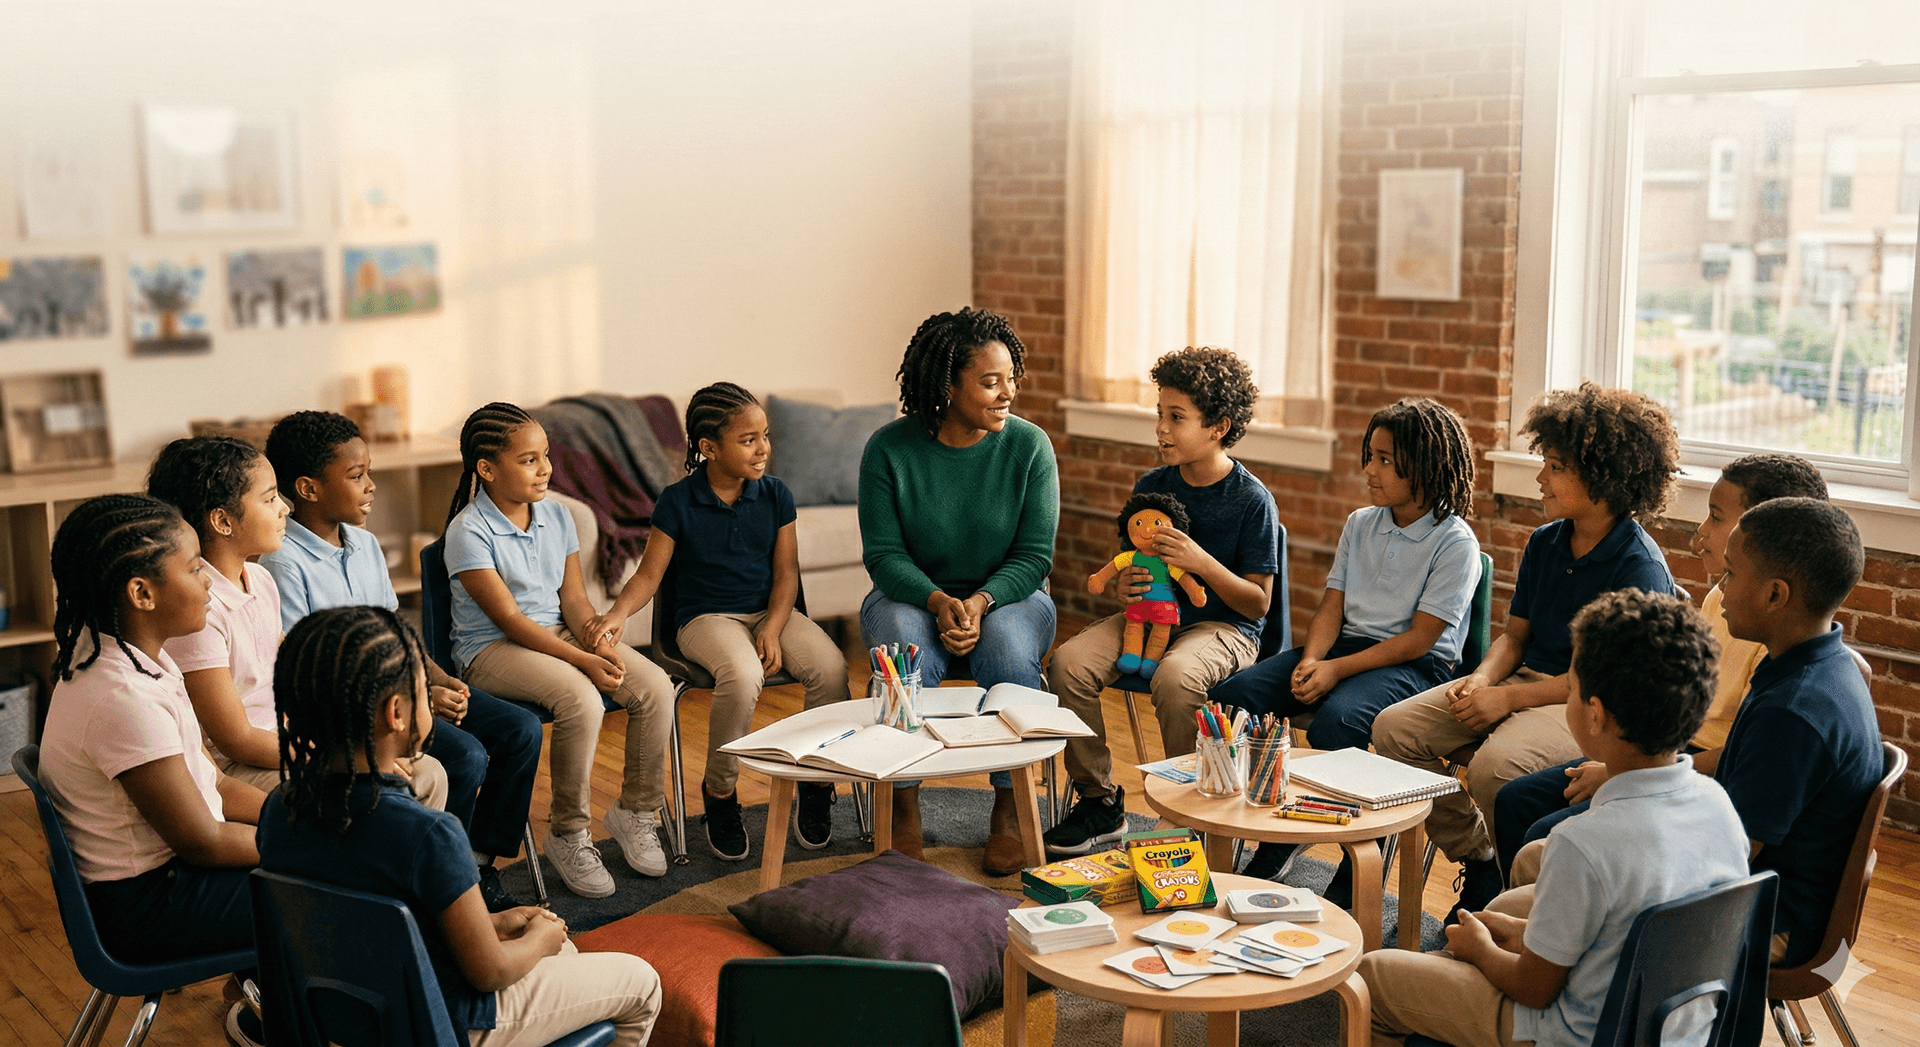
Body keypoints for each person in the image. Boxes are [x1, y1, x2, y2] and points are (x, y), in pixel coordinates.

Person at [1359, 589, 1749, 1047]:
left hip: (1574, 1034)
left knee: (1373, 975)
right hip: (1673, 1031)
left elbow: (1533, 989)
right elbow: (1623, 934)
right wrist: (1522, 935)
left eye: (1572, 688)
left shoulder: (1583, 842)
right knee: (1500, 914)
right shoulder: (1720, 807)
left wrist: (1480, 951)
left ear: (1595, 715)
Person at [259, 607, 662, 1047]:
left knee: (562, 948)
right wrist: (539, 939)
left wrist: (493, 922)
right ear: (396, 712)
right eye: (423, 691)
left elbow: (377, 924)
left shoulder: (279, 811)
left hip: (343, 1016)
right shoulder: (430, 834)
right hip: (444, 1025)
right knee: (640, 982)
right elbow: (490, 972)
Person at [1371, 382, 1678, 917]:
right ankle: (1480, 856)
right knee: (1393, 729)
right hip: (1525, 681)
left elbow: (1597, 680)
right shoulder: (1545, 541)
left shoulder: (1639, 566)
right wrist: (1483, 680)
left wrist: (1507, 700)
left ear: (1603, 479)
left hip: (1585, 700)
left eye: (1555, 467)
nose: (1540, 479)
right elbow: (1514, 637)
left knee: (1493, 770)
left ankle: (1509, 905)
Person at [1492, 452, 1831, 876]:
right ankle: (1497, 899)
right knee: (1517, 800)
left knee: (1545, 836)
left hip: (1685, 769)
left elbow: (1740, 779)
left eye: (1715, 518)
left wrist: (1626, 773)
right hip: (1673, 752)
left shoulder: (1785, 675)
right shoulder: (1725, 602)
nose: (1699, 534)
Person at [260, 410, 543, 911]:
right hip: (361, 714)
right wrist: (418, 695)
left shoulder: (365, 544)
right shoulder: (283, 563)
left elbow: (395, 629)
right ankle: (441, 879)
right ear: (307, 489)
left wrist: (438, 679)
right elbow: (313, 671)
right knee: (466, 756)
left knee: (520, 730)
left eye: (369, 471)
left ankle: (476, 862)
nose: (371, 486)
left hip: (407, 689)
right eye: (356, 476)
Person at [1212, 396, 1479, 881]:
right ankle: (1268, 826)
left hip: (1412, 667)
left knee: (1338, 723)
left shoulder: (1455, 543)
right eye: (1370, 456)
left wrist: (1334, 670)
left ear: (1424, 468)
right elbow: (1331, 607)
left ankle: (1357, 866)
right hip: (1342, 650)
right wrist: (1312, 659)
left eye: (1385, 460)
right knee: (1234, 698)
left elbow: (1419, 641)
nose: (1369, 470)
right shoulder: (1360, 523)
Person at [579, 383, 850, 862]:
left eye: (765, 436)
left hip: (771, 612)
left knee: (831, 668)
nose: (763, 448)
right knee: (743, 675)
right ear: (709, 447)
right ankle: (720, 791)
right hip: (705, 619)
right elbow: (648, 575)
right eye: (748, 439)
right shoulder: (677, 501)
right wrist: (617, 614)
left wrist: (772, 627)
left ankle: (815, 780)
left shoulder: (776, 495)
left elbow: (787, 575)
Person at [37, 494, 267, 1044]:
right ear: (142, 593)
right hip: (147, 907)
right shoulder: (121, 697)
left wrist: (303, 814)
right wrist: (309, 843)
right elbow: (203, 842)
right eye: (194, 568)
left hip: (161, 882)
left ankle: (279, 1005)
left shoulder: (135, 657)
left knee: (336, 856)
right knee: (340, 883)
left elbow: (214, 783)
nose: (209, 581)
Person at [1045, 346, 1279, 858]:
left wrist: (1201, 562)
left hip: (1224, 629)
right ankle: (1099, 801)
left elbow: (1258, 604)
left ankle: (1193, 813)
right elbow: (1132, 565)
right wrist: (1126, 586)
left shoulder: (1251, 499)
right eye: (1159, 414)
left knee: (1175, 679)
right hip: (1147, 619)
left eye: (1177, 417)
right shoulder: (1152, 486)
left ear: (1218, 427)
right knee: (1068, 664)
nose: (1161, 429)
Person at [444, 401, 676, 897]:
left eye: (545, 455)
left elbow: (573, 599)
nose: (546, 468)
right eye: (529, 459)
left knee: (656, 686)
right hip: (493, 649)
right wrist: (583, 660)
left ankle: (636, 811)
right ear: (487, 469)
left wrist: (595, 635)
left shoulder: (558, 514)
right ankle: (569, 833)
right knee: (581, 698)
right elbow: (510, 620)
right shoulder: (468, 532)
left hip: (556, 635)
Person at [858, 307, 1059, 871]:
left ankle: (1010, 807)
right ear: (948, 386)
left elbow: (1034, 557)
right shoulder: (889, 449)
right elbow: (883, 555)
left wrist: (979, 601)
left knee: (1009, 646)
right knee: (903, 645)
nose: (1008, 393)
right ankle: (902, 800)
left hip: (1012, 596)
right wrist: (938, 600)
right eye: (991, 382)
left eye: (1011, 378)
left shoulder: (1030, 447)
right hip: (910, 595)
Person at [148, 435, 448, 809]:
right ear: (223, 521)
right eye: (270, 498)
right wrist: (337, 755)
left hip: (290, 740)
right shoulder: (201, 609)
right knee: (389, 794)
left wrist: (351, 742)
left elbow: (295, 678)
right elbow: (236, 739)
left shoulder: (260, 579)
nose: (285, 508)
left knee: (428, 773)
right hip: (243, 764)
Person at [1712, 497, 1881, 966]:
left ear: (1775, 595)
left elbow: (1730, 854)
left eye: (1730, 572)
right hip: (1767, 892)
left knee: (1580, 899)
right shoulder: (1827, 663)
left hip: (1770, 918)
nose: (1719, 585)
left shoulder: (1792, 712)